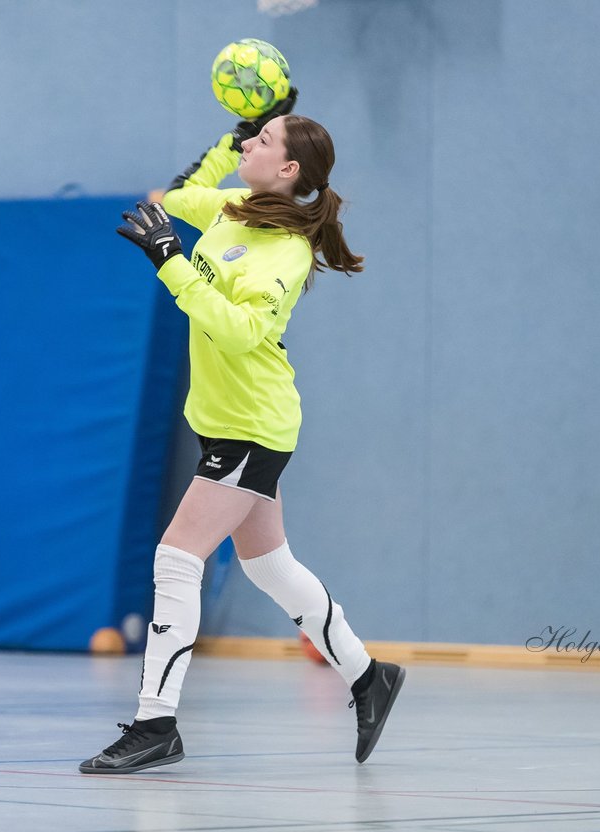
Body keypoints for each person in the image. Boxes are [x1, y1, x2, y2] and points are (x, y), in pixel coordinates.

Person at [79, 94, 406, 774]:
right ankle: (369, 676)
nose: (250, 146)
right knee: (269, 566)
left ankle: (155, 724)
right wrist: (228, 142)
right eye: (248, 139)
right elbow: (172, 197)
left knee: (176, 557)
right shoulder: (231, 210)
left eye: (260, 141)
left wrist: (172, 263)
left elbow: (241, 331)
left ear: (287, 169)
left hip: (252, 425)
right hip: (226, 422)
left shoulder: (285, 250)